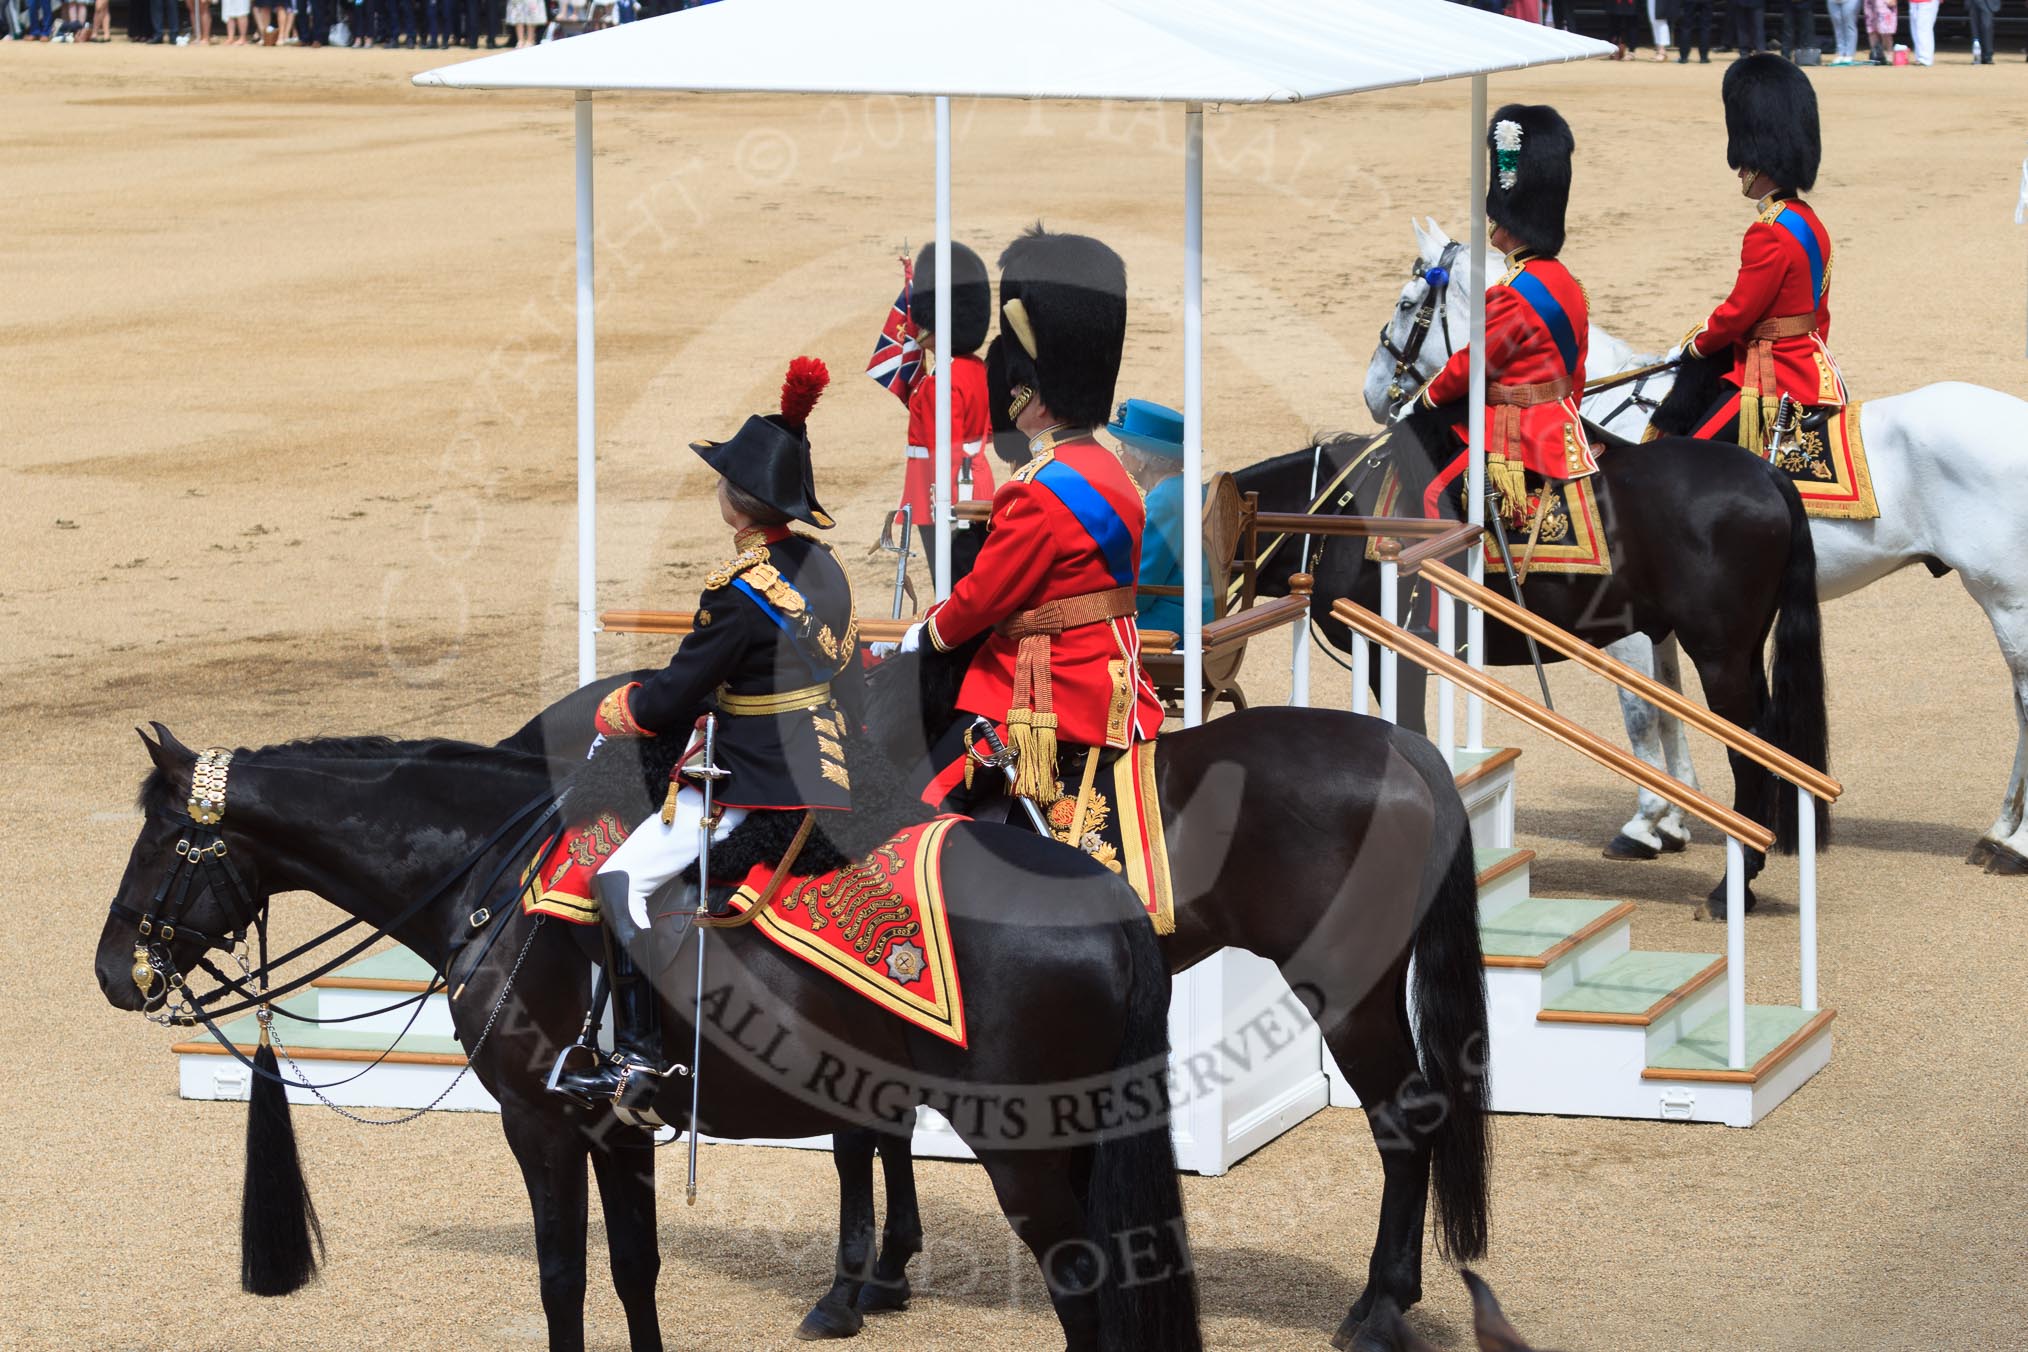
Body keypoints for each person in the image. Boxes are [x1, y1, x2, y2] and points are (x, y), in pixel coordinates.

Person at [549, 356, 863, 1115]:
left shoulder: (738, 591)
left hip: (760, 777)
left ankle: (640, 1058)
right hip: (831, 767)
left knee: (617, 880)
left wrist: (613, 710)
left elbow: (669, 701)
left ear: (736, 501)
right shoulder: (825, 570)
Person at [905, 227, 1164, 819]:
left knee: (924, 800)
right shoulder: (1115, 474)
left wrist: (927, 632)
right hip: (1118, 679)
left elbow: (983, 599)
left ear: (1037, 393)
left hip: (1047, 692)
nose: (1010, 396)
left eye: (1019, 386)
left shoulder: (1035, 490)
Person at [1416, 105, 1593, 528]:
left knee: (1432, 493)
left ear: (1511, 221)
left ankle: (1447, 594)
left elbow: (1472, 363)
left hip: (1523, 434)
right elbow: (1577, 370)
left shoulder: (1513, 294)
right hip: (1562, 423)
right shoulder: (1565, 281)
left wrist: (1427, 397)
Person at [1676, 54, 1846, 453]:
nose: (1739, 171)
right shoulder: (1807, 220)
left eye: (1745, 163)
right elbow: (1817, 310)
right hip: (1815, 366)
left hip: (1775, 376)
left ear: (1761, 162)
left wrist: (1698, 343)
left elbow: (1740, 311)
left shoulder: (1767, 231)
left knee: (1687, 456)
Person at [898, 241, 997, 581]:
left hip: (948, 494)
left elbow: (947, 449)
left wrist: (945, 501)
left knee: (953, 586)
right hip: (973, 484)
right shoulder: (974, 368)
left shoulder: (945, 379)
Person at [1109, 399, 1213, 638]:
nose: (1121, 456)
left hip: (1172, 620)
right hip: (1196, 612)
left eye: (1124, 448)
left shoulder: (1164, 500)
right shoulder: (1188, 489)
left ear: (1143, 458)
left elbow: (1141, 589)